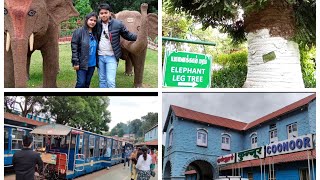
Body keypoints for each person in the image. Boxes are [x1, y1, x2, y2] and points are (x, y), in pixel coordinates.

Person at [96, 3, 137, 88]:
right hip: (100, 56)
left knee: (110, 81)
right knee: (102, 79)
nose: (104, 15)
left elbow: (127, 35)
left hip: (112, 56)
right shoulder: (96, 24)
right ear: (99, 15)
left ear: (110, 13)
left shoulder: (118, 24)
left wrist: (139, 37)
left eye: (105, 13)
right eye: (101, 13)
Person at [71, 12, 98, 88]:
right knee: (81, 83)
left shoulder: (95, 33)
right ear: (86, 20)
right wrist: (75, 62)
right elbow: (74, 47)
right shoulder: (79, 32)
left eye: (95, 21)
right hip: (82, 63)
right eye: (91, 20)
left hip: (92, 64)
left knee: (87, 83)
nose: (92, 22)